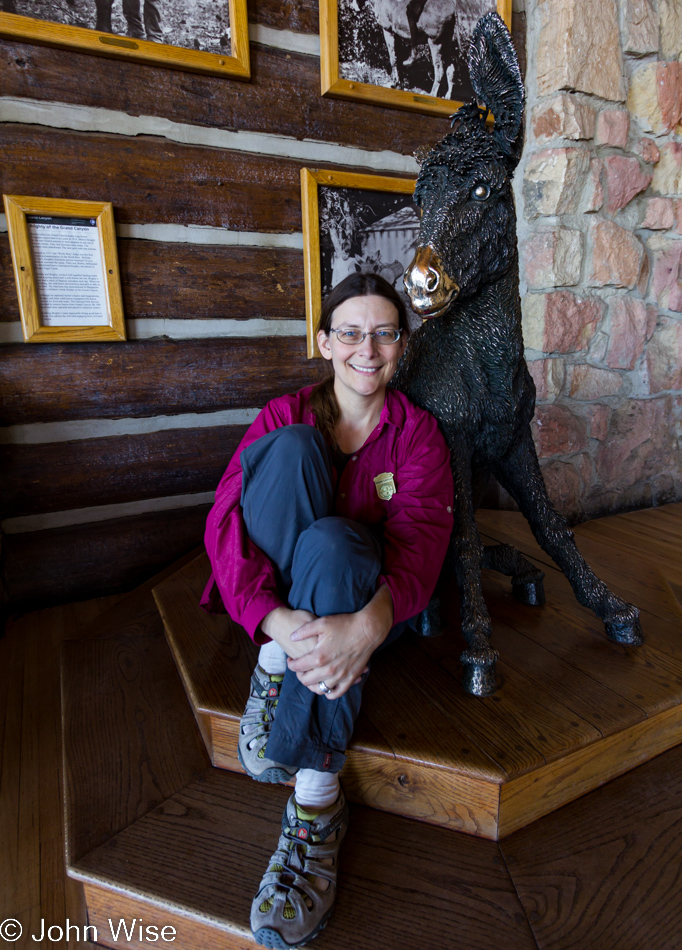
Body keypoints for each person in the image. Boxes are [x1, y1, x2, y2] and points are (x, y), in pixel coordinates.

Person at [201, 272, 453, 949]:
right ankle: (276, 663)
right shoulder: (285, 412)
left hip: (366, 607)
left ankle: (314, 807)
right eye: (349, 332)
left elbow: (424, 542)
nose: (366, 349)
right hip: (285, 620)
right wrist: (275, 623)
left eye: (383, 333)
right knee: (288, 454)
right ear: (323, 342)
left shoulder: (418, 436)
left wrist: (370, 625)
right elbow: (225, 522)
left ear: (401, 345)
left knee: (338, 546)